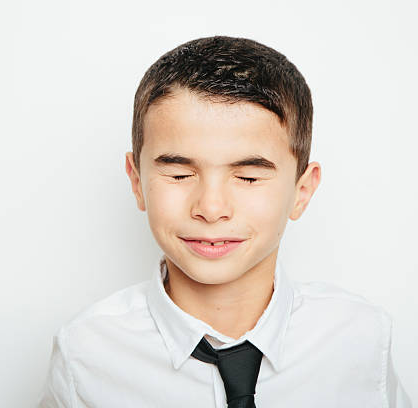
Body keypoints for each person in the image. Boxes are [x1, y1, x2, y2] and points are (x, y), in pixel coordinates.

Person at [37, 36, 413, 407]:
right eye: (180, 175)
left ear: (302, 191)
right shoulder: (85, 356)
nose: (211, 208)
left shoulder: (362, 339)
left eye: (248, 177)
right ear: (137, 182)